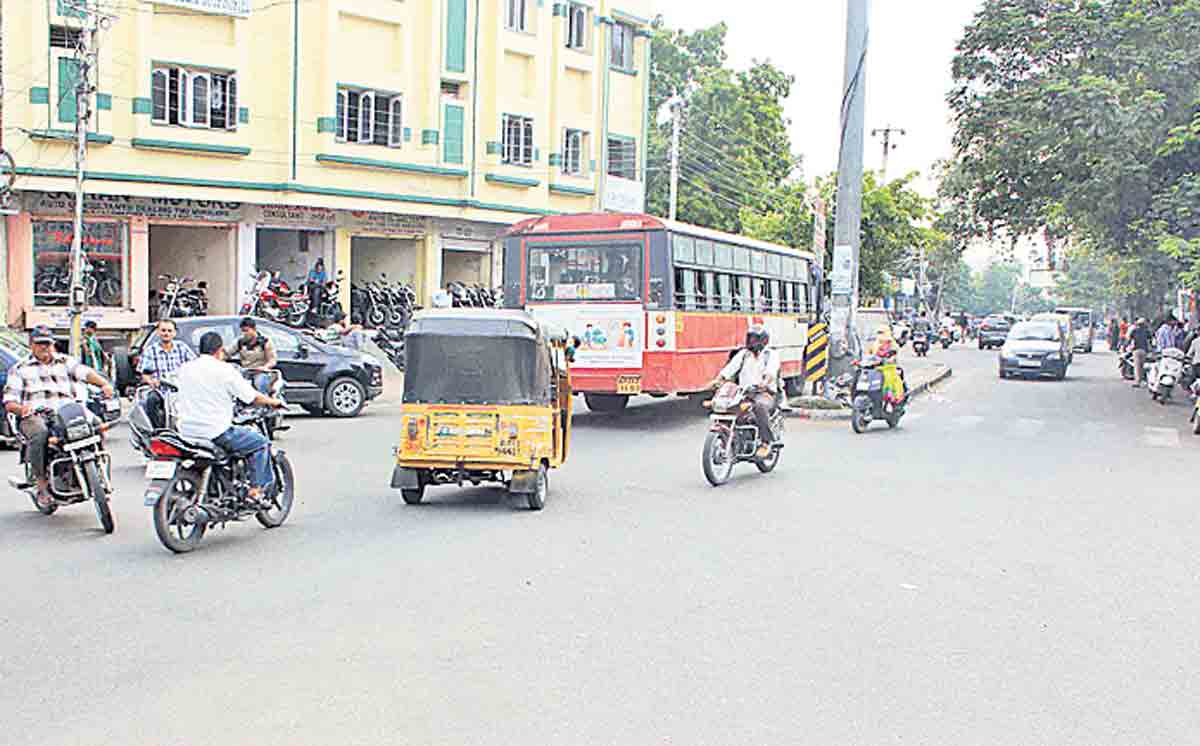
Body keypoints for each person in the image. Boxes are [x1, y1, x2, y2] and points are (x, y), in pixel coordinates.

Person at [3, 326, 114, 508]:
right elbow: (9, 401)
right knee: (40, 434)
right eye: (40, 344)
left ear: (53, 344)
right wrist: (22, 409)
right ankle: (41, 485)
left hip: (67, 411)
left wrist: (104, 385)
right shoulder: (20, 369)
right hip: (37, 414)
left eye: (47, 343)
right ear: (31, 345)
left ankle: (98, 471)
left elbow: (86, 374)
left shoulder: (66, 362)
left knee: (97, 425)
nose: (44, 347)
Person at [175, 332, 285, 504]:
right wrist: (273, 402)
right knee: (260, 443)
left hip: (185, 431)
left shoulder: (185, 368)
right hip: (215, 431)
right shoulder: (225, 370)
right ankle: (255, 492)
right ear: (219, 351)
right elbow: (251, 397)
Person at [711, 325, 779, 459]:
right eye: (750, 338)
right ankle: (732, 437)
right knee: (727, 406)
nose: (751, 342)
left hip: (764, 393)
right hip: (743, 393)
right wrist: (718, 380)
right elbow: (729, 369)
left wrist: (764, 383)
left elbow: (770, 373)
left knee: (759, 407)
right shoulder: (743, 354)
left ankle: (766, 442)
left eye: (754, 339)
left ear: (763, 341)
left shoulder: (770, 355)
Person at [139, 318, 196, 428]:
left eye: (169, 331)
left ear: (175, 333)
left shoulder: (182, 347)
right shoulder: (151, 350)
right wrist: (151, 381)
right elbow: (145, 374)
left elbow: (195, 365)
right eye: (163, 330)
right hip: (161, 390)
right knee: (151, 401)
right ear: (158, 332)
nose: (166, 333)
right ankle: (157, 431)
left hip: (182, 389)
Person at [227, 317, 277, 394]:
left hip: (259, 372)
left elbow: (272, 360)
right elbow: (227, 352)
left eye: (246, 331)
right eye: (242, 331)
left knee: (259, 382)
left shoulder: (265, 342)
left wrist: (265, 367)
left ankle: (263, 402)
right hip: (245, 372)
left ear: (254, 329)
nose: (244, 334)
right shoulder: (240, 342)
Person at [1128, 317, 1150, 387]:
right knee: (1142, 366)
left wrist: (1126, 346)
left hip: (1136, 350)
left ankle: (1138, 382)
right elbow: (1150, 340)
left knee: (1137, 366)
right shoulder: (1147, 331)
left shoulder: (1134, 330)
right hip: (1144, 350)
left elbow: (1129, 339)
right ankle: (1143, 380)